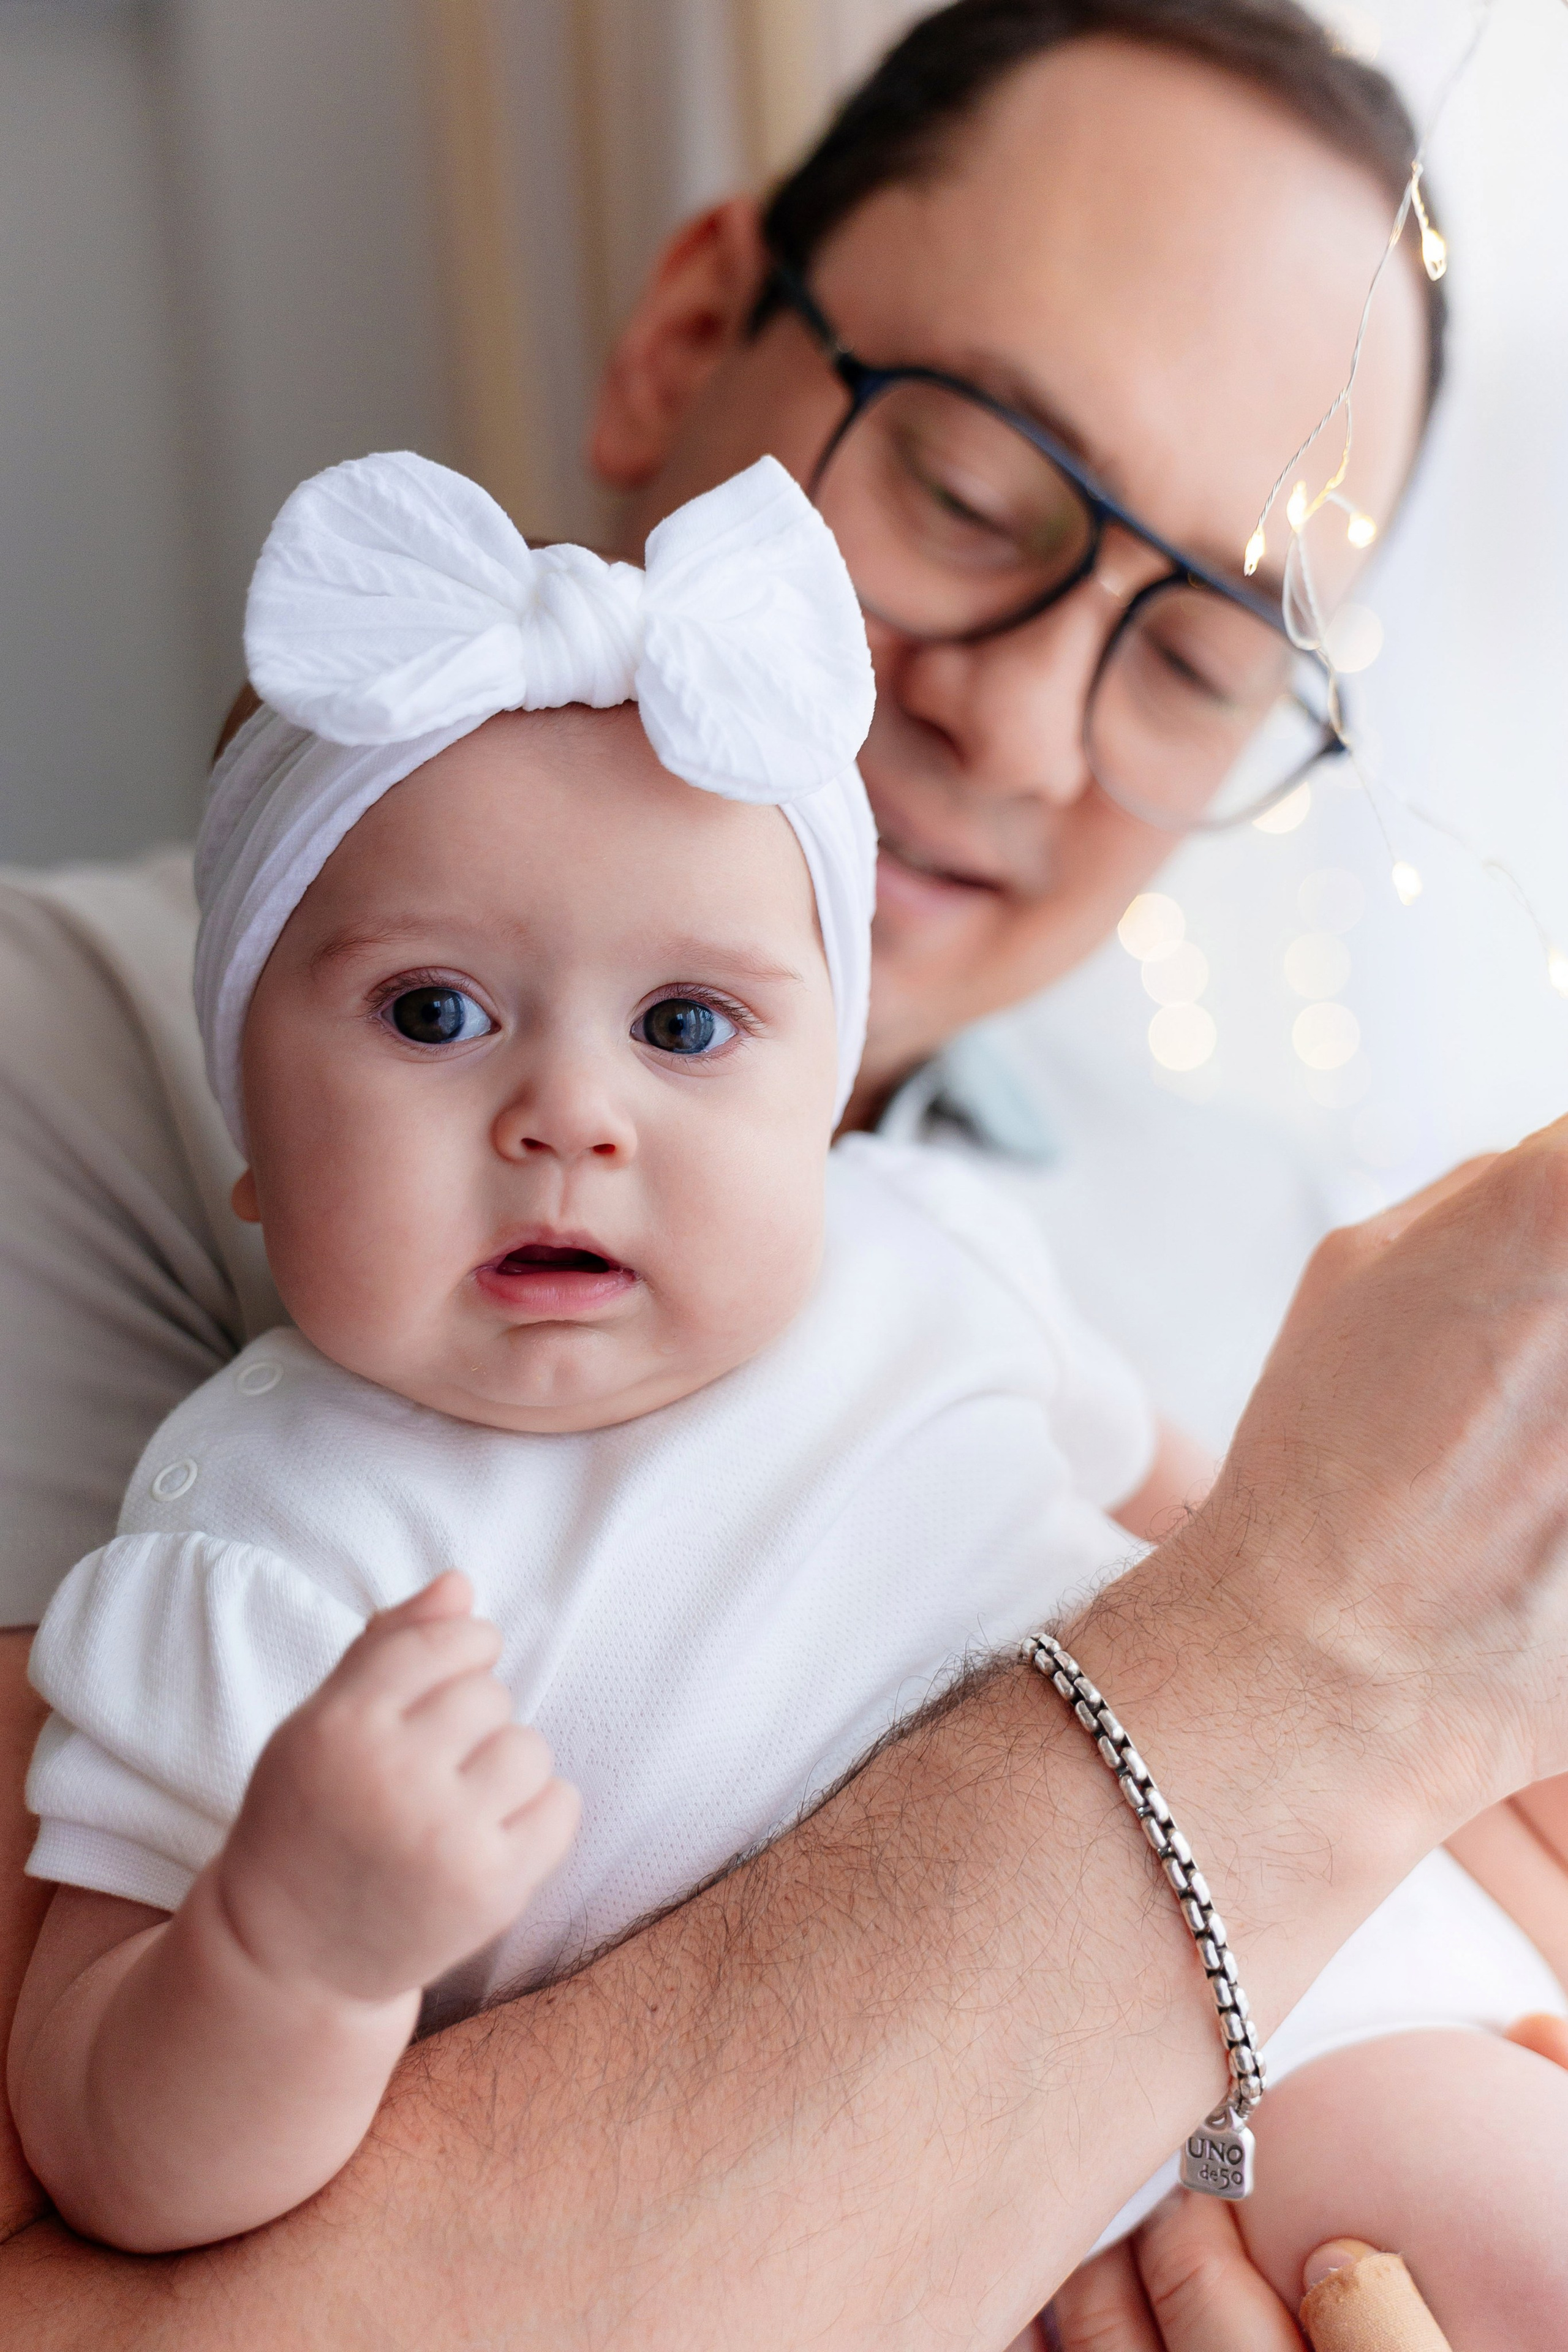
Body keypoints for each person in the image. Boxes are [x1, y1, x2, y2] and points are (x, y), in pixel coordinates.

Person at [2, 3, 1566, 2341]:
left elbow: (1345, 1668)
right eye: (971, 488)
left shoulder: (1123, 1230)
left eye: (1197, 655)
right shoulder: (104, 1152)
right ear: (683, 336)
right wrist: (1301, 1674)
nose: (1018, 722)